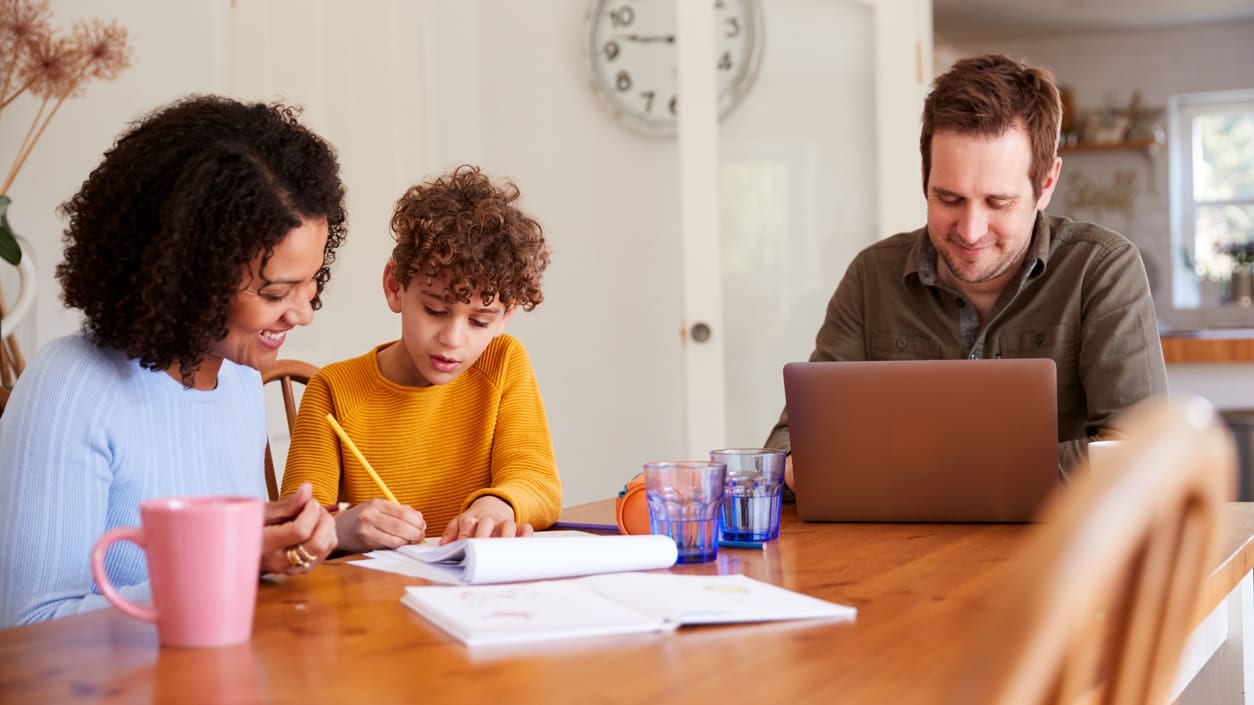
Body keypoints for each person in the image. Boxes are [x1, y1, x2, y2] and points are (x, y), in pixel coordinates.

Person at [0, 95, 347, 626]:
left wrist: (267, 543)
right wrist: (225, 563)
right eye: (277, 293)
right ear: (190, 277)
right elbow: (28, 628)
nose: (303, 314)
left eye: (311, 283)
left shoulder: (235, 381)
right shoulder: (69, 389)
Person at [765, 54, 1167, 486]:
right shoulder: (871, 277)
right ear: (924, 177)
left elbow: (1142, 456)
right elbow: (787, 449)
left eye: (998, 202)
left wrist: (935, 469)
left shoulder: (1102, 269)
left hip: (1064, 550)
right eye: (949, 199)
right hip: (899, 550)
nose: (971, 230)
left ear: (1046, 184)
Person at [281, 165, 562, 551]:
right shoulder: (334, 390)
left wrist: (498, 504)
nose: (452, 340)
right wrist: (343, 527)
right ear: (396, 288)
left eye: (480, 321)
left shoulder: (503, 361)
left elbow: (537, 481)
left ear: (506, 315)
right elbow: (295, 523)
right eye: (435, 310)